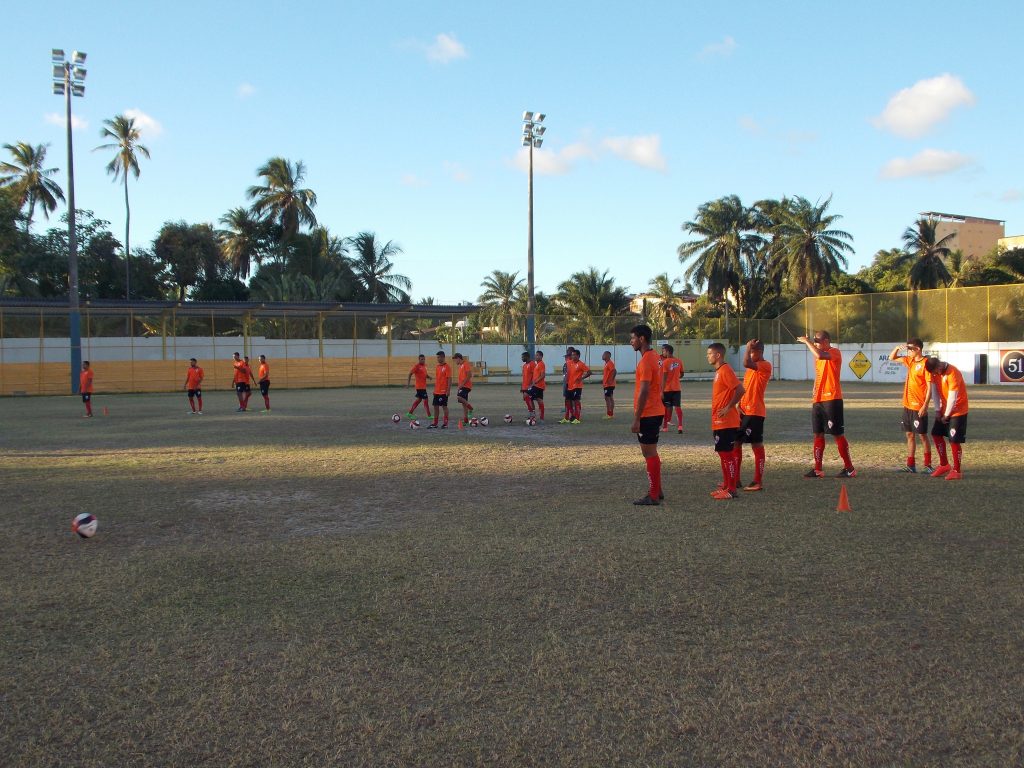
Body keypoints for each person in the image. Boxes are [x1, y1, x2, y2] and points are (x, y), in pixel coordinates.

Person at [797, 330, 856, 478]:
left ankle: (849, 468)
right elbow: (819, 372)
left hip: (832, 399)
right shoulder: (818, 355)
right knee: (818, 433)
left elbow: (820, 355)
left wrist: (807, 342)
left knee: (837, 434)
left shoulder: (834, 352)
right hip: (818, 399)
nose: (815, 343)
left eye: (817, 341)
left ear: (826, 341)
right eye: (814, 341)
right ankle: (818, 469)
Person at [630, 324, 664, 505]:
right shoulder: (655, 357)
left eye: (633, 338)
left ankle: (653, 495)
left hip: (649, 413)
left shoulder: (645, 361)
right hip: (655, 410)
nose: (631, 342)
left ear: (642, 339)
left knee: (648, 453)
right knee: (652, 452)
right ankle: (657, 490)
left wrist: (637, 418)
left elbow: (644, 391)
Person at [707, 342, 744, 500]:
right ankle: (727, 485)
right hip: (719, 421)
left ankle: (732, 489)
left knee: (726, 454)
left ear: (718, 355)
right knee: (723, 454)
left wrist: (729, 407)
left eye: (709, 354)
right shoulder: (719, 371)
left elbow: (740, 389)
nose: (707, 356)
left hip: (727, 421)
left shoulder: (725, 370)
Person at [889, 338, 932, 472]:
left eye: (911, 349)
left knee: (922, 435)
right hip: (907, 405)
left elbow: (930, 387)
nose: (908, 351)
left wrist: (925, 405)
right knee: (909, 435)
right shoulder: (910, 361)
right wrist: (897, 348)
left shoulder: (926, 363)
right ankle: (910, 465)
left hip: (919, 406)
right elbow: (892, 358)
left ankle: (928, 465)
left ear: (918, 349)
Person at [735, 339, 771, 491]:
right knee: (736, 442)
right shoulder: (751, 368)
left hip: (755, 412)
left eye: (752, 351)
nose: (750, 354)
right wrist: (738, 403)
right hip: (744, 410)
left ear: (760, 352)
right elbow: (745, 388)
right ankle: (735, 479)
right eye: (749, 351)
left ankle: (757, 481)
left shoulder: (764, 365)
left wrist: (747, 346)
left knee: (756, 444)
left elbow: (745, 363)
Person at [925, 356, 968, 480]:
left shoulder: (953, 373)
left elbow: (952, 398)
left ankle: (957, 471)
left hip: (957, 411)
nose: (934, 375)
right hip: (944, 410)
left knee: (954, 440)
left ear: (938, 367)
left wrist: (947, 415)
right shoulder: (934, 374)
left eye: (935, 372)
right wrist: (938, 410)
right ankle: (944, 465)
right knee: (936, 434)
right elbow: (935, 392)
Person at [660, 343, 684, 433]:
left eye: (664, 351)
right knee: (678, 407)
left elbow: (664, 378)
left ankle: (665, 427)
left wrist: (661, 391)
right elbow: (682, 374)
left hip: (667, 389)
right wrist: (675, 377)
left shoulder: (665, 362)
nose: (663, 353)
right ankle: (680, 426)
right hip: (677, 389)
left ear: (668, 351)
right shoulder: (679, 361)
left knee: (666, 408)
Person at [565, 349, 592, 423]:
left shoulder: (581, 364)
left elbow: (589, 372)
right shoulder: (569, 363)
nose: (573, 356)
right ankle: (570, 416)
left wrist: (582, 378)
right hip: (570, 385)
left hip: (577, 386)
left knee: (576, 401)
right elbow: (568, 373)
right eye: (572, 355)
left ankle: (577, 418)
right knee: (568, 401)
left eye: (574, 355)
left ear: (578, 356)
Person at [428, 351, 451, 429]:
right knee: (435, 406)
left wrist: (448, 390)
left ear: (443, 357)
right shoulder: (437, 367)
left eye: (439, 357)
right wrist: (435, 390)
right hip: (437, 391)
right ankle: (435, 423)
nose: (437, 359)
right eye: (437, 357)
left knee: (444, 406)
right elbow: (438, 379)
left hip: (443, 391)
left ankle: (445, 423)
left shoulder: (447, 367)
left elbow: (449, 379)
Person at [406, 354, 432, 420]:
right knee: (426, 400)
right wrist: (408, 384)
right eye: (421, 359)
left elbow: (424, 374)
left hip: (423, 387)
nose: (423, 360)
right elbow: (410, 374)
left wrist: (429, 377)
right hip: (420, 387)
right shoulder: (416, 366)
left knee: (419, 400)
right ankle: (429, 415)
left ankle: (409, 413)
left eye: (424, 359)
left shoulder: (425, 366)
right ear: (419, 359)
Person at [453, 352, 474, 425]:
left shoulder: (465, 364)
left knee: (459, 397)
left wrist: (462, 384)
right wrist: (459, 386)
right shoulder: (461, 366)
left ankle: (470, 408)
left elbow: (469, 375)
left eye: (455, 360)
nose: (455, 361)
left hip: (466, 386)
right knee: (463, 403)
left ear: (458, 358)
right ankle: (466, 421)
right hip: (462, 386)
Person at [530, 350, 547, 421]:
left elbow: (543, 375)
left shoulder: (541, 364)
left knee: (528, 396)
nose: (535, 356)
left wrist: (535, 382)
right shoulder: (537, 364)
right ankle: (541, 416)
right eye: (535, 355)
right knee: (539, 399)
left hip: (538, 385)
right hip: (537, 385)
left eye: (537, 355)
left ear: (541, 356)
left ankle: (533, 415)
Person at [560, 348, 575, 423]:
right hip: (566, 383)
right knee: (567, 398)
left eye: (567, 356)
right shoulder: (566, 364)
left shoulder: (573, 363)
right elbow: (565, 374)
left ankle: (573, 414)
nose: (565, 358)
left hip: (571, 384)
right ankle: (568, 412)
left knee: (573, 399)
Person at [519, 351, 536, 419]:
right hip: (524, 386)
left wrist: (532, 384)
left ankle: (532, 413)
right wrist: (521, 386)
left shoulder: (532, 364)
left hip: (530, 386)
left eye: (523, 357)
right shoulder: (524, 366)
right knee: (528, 399)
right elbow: (524, 377)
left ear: (527, 357)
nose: (522, 358)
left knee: (527, 398)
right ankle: (532, 413)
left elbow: (535, 375)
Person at [601, 350, 616, 419]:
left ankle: (609, 414)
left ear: (608, 356)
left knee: (607, 398)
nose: (602, 356)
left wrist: (610, 380)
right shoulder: (607, 363)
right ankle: (611, 413)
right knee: (610, 398)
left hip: (609, 385)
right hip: (607, 384)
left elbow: (614, 371)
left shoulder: (610, 363)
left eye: (604, 354)